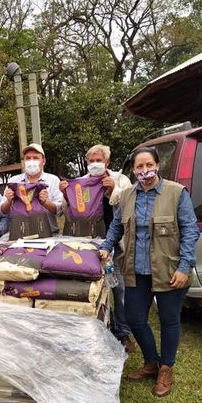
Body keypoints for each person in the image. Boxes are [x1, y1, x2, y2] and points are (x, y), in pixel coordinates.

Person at [99, 147, 200, 397]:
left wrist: (185, 267)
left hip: (168, 267)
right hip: (136, 268)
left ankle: (166, 368)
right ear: (133, 171)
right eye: (139, 167)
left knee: (169, 319)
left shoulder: (176, 193)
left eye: (148, 165)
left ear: (157, 165)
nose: (144, 171)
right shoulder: (127, 196)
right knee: (134, 319)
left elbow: (190, 230)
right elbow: (116, 226)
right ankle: (151, 362)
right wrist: (105, 246)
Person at [59, 144, 135, 352]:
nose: (94, 164)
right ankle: (91, 329)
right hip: (87, 243)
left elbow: (130, 205)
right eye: (91, 161)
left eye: (98, 160)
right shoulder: (81, 183)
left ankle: (123, 333)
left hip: (114, 243)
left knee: (118, 288)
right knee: (87, 286)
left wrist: (113, 189)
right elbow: (70, 213)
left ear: (107, 162)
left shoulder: (121, 179)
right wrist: (67, 195)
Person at [0, 143, 63, 236]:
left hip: (48, 234)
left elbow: (60, 211)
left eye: (35, 158)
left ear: (43, 161)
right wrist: (8, 201)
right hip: (19, 234)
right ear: (24, 161)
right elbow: (2, 212)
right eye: (28, 158)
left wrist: (46, 203)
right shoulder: (13, 181)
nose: (31, 161)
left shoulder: (53, 180)